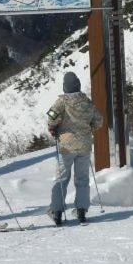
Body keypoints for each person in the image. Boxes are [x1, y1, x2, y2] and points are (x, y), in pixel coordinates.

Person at [46, 71, 104, 226]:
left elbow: (51, 117)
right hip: (84, 145)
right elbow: (99, 120)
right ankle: (81, 211)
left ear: (65, 87)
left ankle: (56, 211)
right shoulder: (87, 102)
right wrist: (90, 127)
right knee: (83, 179)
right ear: (78, 85)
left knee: (62, 179)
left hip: (66, 147)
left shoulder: (62, 102)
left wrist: (54, 127)